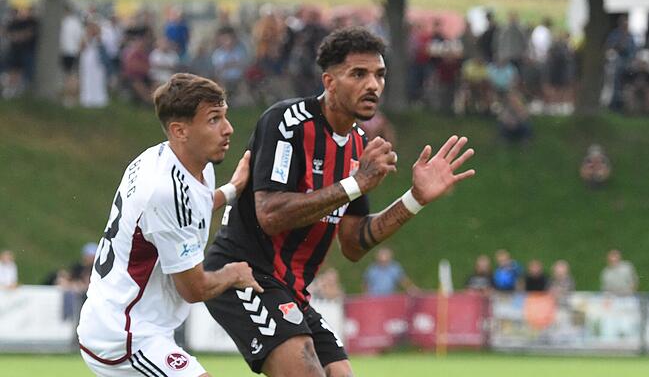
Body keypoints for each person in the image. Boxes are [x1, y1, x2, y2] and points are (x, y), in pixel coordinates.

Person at [203, 26, 475, 377]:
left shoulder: (359, 144)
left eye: (379, 75)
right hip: (242, 275)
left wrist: (415, 200)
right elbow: (269, 213)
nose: (373, 85)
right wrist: (354, 183)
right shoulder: (287, 123)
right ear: (329, 82)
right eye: (358, 74)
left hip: (291, 289)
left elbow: (353, 242)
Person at [77, 73, 261, 377]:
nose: (228, 129)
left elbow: (191, 209)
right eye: (214, 120)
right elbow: (194, 288)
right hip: (126, 336)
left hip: (124, 319)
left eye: (224, 117)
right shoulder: (165, 191)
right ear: (180, 130)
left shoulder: (168, 160)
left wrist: (232, 189)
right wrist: (233, 274)